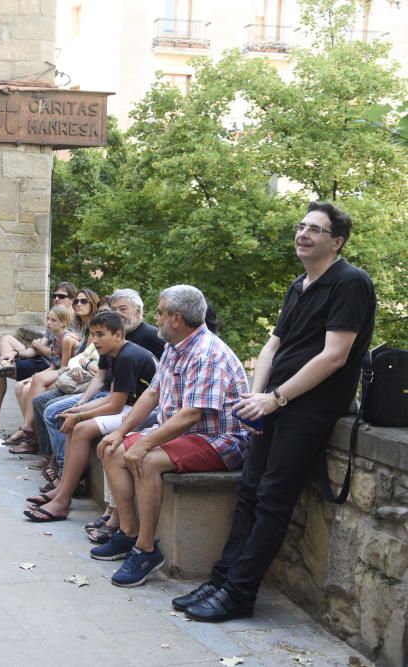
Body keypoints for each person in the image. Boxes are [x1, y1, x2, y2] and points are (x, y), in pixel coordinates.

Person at [177, 202, 376, 622]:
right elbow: (273, 346)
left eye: (316, 230)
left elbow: (334, 356)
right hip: (274, 402)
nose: (303, 234)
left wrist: (277, 398)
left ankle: (239, 593)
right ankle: (221, 579)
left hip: (310, 408)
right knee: (249, 490)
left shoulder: (351, 283)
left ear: (336, 242)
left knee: (272, 498)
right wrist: (256, 396)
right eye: (301, 226)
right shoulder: (299, 284)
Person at [92, 285, 250, 587]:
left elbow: (192, 415)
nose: (156, 317)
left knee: (146, 459)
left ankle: (147, 549)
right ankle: (128, 533)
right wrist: (122, 432)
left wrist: (145, 443)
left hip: (220, 440)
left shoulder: (207, 354)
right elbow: (152, 394)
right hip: (187, 434)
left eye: (160, 312)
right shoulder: (175, 349)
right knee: (111, 449)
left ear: (176, 319)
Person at [24, 310, 157, 522]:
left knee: (81, 428)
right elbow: (113, 396)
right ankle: (61, 492)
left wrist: (79, 418)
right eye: (93, 334)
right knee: (70, 422)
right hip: (130, 406)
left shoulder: (128, 357)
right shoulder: (110, 352)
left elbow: (115, 405)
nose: (95, 340)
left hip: (148, 413)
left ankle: (62, 502)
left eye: (100, 334)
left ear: (119, 335)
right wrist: (78, 409)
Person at [0, 282, 76, 434]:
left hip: (48, 366)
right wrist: (16, 354)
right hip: (43, 361)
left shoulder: (71, 325)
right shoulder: (54, 318)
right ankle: (4, 364)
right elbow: (37, 349)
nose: (56, 299)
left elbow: (58, 357)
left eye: (61, 296)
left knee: (2, 374)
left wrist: (38, 347)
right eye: (54, 295)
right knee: (5, 340)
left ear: (72, 299)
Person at [4, 289, 98, 452]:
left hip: (81, 377)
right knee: (22, 387)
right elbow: (66, 360)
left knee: (37, 393)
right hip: (71, 370)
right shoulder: (79, 328)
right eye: (77, 301)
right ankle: (32, 436)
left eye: (84, 301)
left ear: (94, 304)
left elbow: (75, 361)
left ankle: (31, 434)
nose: (78, 304)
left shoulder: (88, 331)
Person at [110, 288, 166, 359]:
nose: (117, 314)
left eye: (123, 309)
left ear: (137, 311)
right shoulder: (113, 335)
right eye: (113, 310)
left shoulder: (154, 337)